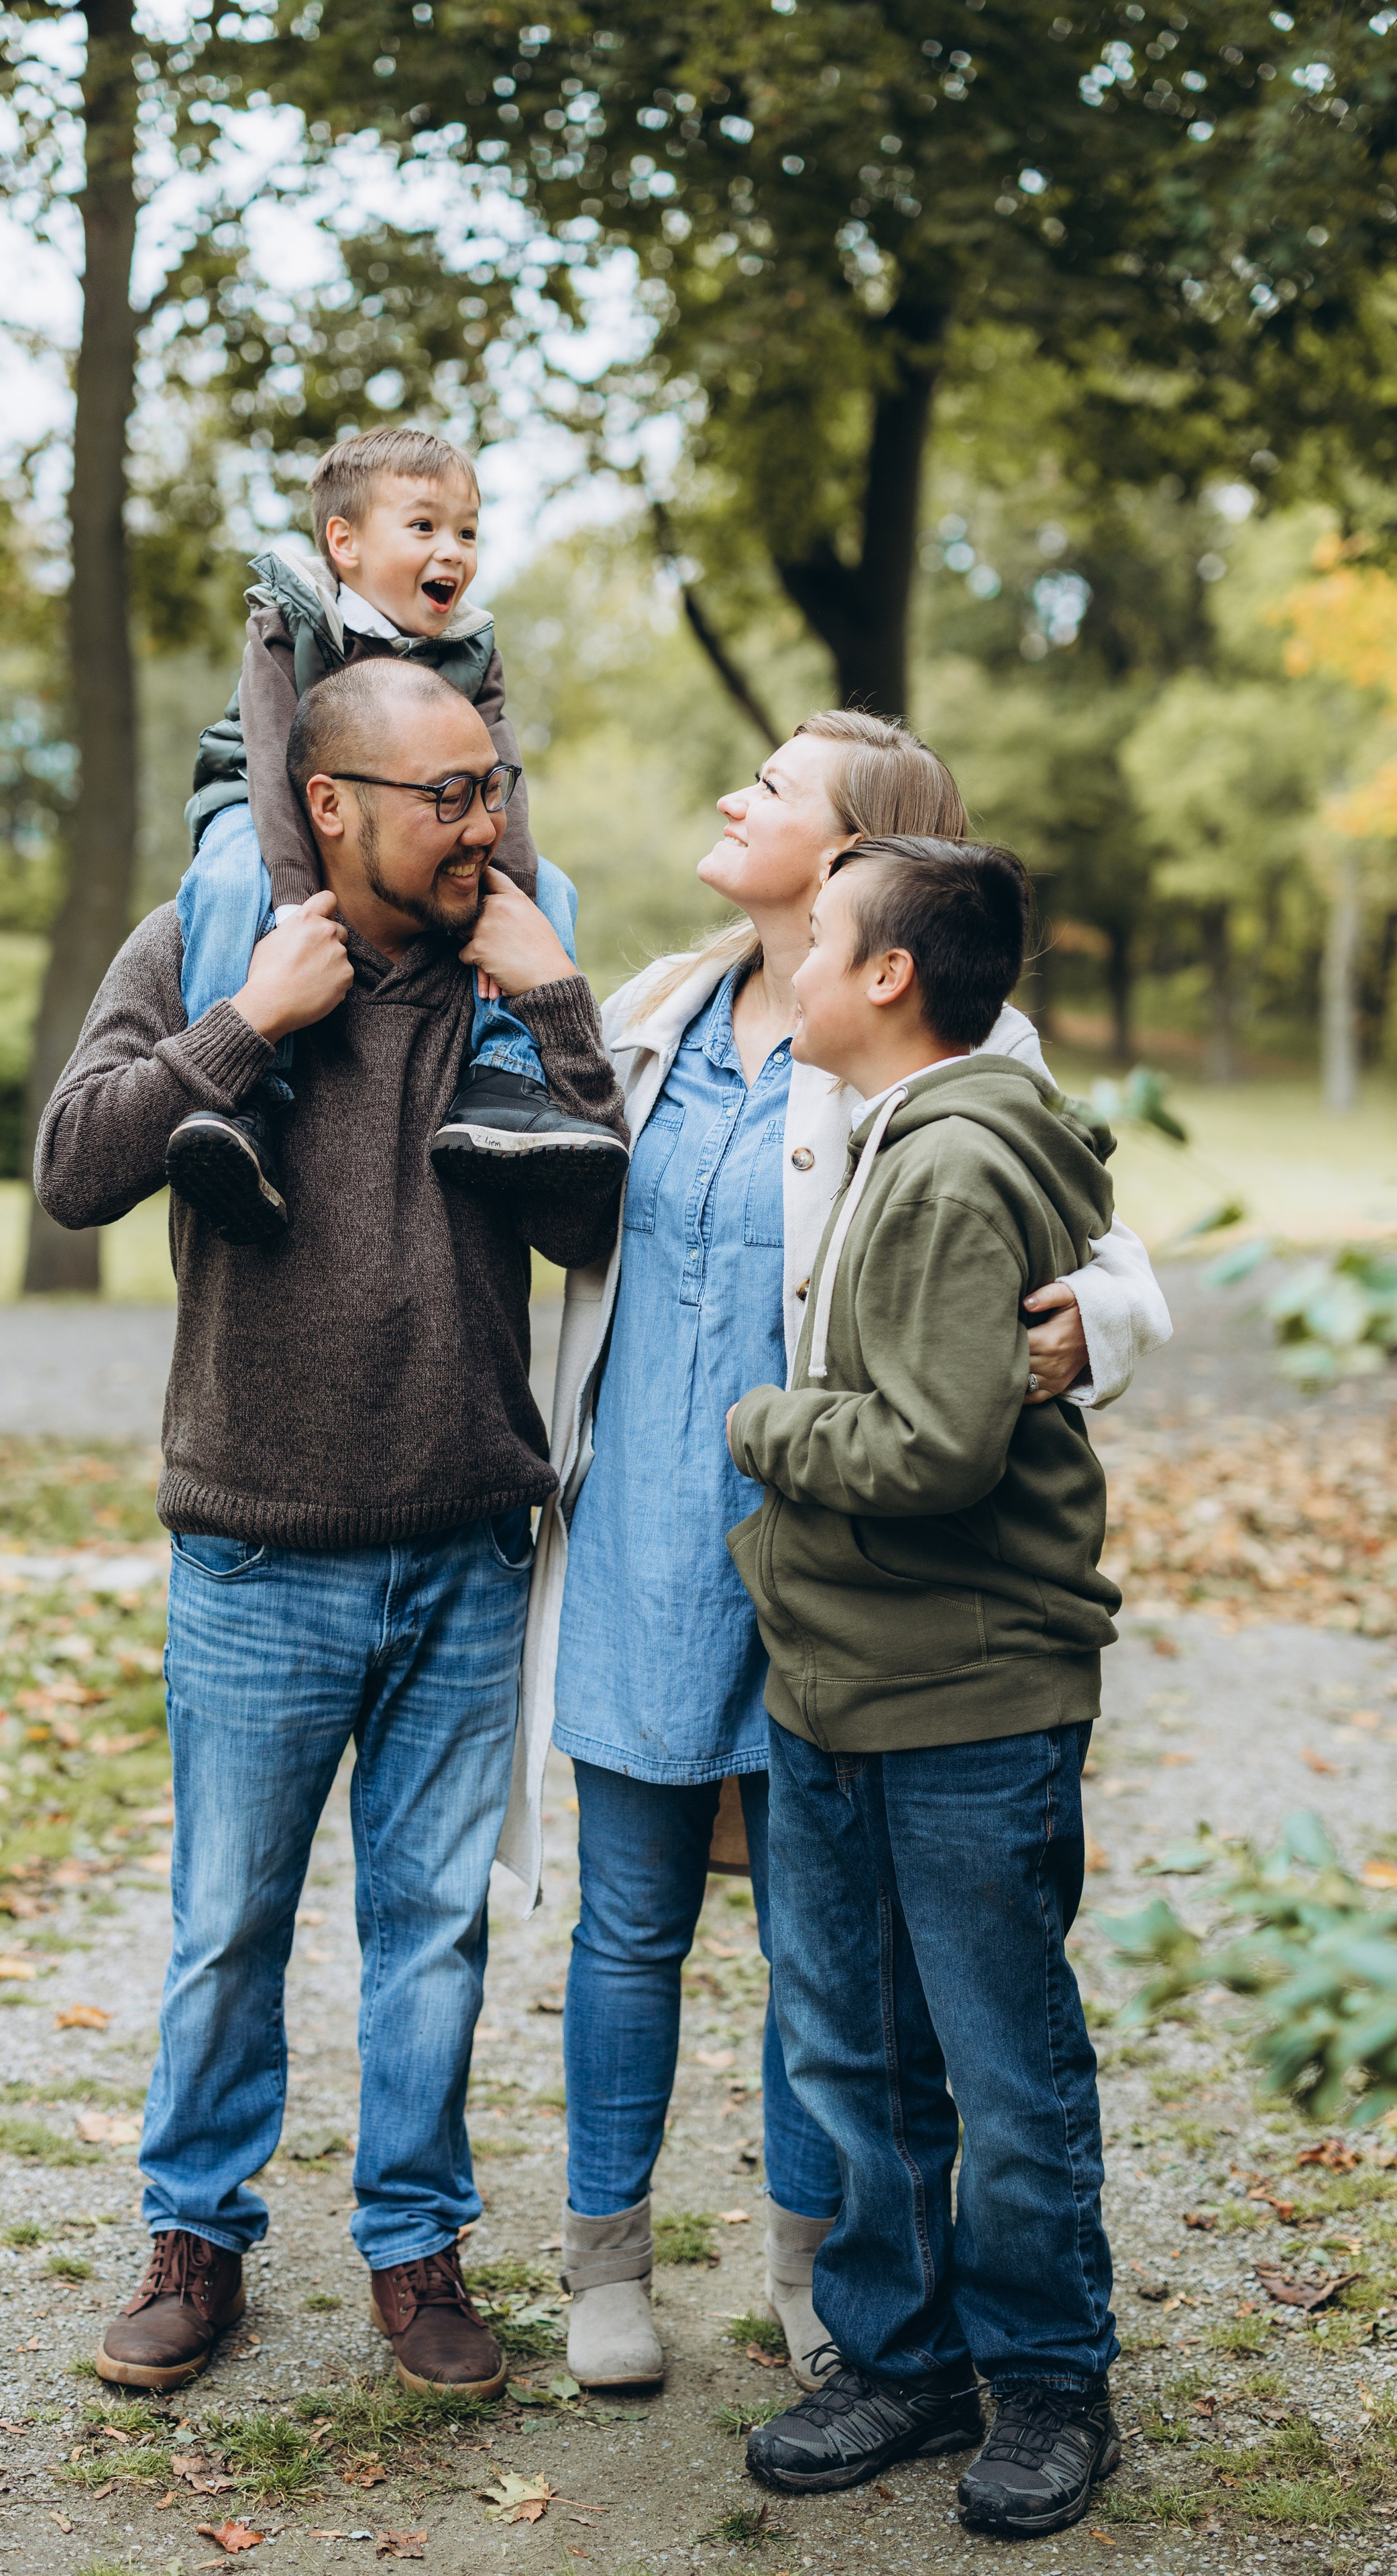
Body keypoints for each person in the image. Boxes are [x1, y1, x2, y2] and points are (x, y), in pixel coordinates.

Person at [500, 713, 1169, 2395]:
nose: (737, 797)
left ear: (861, 849)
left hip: (826, 1550)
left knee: (832, 1960)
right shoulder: (658, 1002)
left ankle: (826, 2276)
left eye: (776, 786)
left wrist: (1087, 1321)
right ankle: (605, 2263)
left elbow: (1098, 1237)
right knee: (626, 1921)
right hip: (647, 1525)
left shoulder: (950, 1037)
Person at [34, 656, 627, 2397]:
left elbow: (595, 1223)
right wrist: (250, 1023)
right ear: (329, 803)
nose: (489, 822)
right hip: (256, 1548)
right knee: (230, 1919)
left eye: (495, 784)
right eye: (449, 794)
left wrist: (568, 1002)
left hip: (462, 1543)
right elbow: (72, 1168)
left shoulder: (507, 971)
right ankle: (194, 2241)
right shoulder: (214, 939)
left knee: (432, 1924)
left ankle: (417, 2251)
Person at [727, 835, 1124, 2538]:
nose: (791, 964)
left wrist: (758, 1424)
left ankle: (1046, 2378)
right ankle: (896, 2353)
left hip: (965, 1691)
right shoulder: (889, 1131)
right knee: (855, 2050)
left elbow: (935, 1447)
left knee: (1000, 2058)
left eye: (817, 939)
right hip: (832, 1676)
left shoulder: (955, 1163)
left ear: (887, 975)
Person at [166, 425, 625, 1244]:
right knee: (231, 881)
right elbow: (277, 764)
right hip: (263, 803)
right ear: (343, 542)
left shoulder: (468, 646)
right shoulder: (290, 618)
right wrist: (296, 904)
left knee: (550, 889)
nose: (452, 549)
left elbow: (501, 778)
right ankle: (241, 1103)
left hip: (409, 836)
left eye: (468, 531)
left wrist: (506, 895)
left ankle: (503, 1079)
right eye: (423, 527)